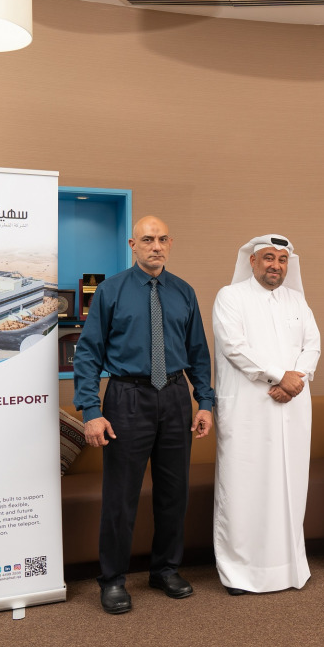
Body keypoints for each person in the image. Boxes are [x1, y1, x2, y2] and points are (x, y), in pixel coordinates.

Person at [73, 215, 214, 615]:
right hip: (126, 397)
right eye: (147, 239)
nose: (156, 246)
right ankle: (113, 579)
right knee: (121, 496)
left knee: (174, 492)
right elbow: (88, 353)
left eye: (163, 239)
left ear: (171, 243)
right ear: (132, 245)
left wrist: (204, 401)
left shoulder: (184, 292)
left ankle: (165, 570)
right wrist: (91, 409)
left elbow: (199, 353)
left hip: (173, 397)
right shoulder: (110, 291)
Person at [211, 234, 320, 594]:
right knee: (244, 487)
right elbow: (234, 347)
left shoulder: (297, 301)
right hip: (248, 412)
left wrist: (296, 379)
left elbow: (312, 345)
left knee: (289, 486)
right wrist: (280, 375)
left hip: (293, 407)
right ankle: (239, 573)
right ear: (253, 261)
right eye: (269, 258)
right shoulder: (231, 297)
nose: (276, 265)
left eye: (283, 259)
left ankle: (287, 568)